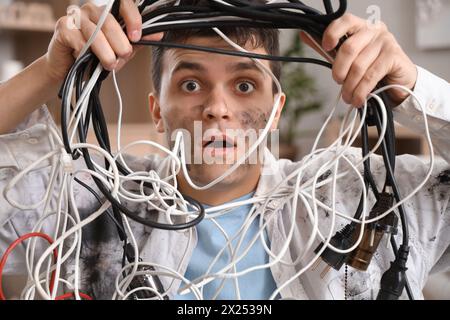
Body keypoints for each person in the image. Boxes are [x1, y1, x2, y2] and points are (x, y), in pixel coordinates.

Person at [0, 0, 449, 300]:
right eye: (191, 84)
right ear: (157, 111)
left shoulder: (364, 200)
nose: (217, 109)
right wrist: (49, 70)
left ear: (275, 111)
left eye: (245, 84)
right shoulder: (96, 201)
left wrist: (412, 87)